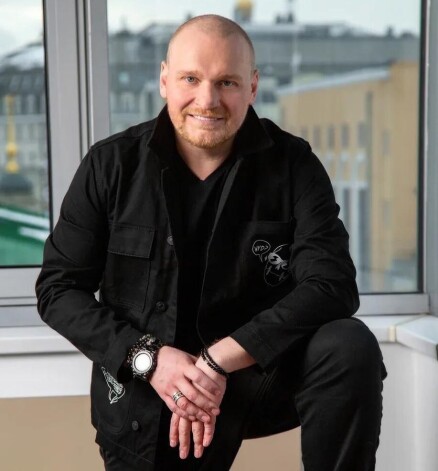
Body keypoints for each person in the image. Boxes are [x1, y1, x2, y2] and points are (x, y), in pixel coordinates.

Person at [36, 14, 386, 471]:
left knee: (348, 346)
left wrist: (218, 360)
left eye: (227, 82)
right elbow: (58, 290)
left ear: (252, 87)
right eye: (191, 79)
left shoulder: (294, 164)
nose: (208, 100)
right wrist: (149, 359)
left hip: (257, 372)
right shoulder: (110, 165)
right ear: (164, 80)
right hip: (152, 386)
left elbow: (332, 285)